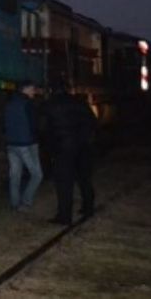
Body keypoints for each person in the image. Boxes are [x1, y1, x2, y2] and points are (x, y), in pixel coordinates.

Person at [43, 81, 98, 225]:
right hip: (83, 147)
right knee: (84, 178)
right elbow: (93, 121)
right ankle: (88, 207)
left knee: (64, 183)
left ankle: (65, 215)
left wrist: (50, 147)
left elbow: (43, 128)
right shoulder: (80, 102)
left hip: (63, 148)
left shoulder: (50, 105)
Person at [3, 80, 43, 212]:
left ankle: (14, 203)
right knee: (37, 174)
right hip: (27, 144)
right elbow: (35, 125)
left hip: (11, 145)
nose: (34, 91)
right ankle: (26, 202)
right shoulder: (28, 104)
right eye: (32, 88)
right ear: (24, 89)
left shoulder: (9, 104)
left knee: (15, 175)